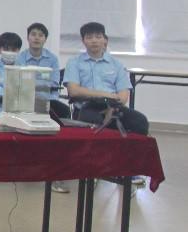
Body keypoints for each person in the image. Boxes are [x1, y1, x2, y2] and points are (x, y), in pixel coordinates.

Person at [64, 22, 149, 165]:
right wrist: (106, 95)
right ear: (83, 41)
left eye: (98, 37)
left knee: (140, 121)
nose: (94, 40)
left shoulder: (117, 65)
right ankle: (99, 164)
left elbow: (123, 97)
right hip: (86, 107)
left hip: (113, 107)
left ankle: (131, 165)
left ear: (105, 40)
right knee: (98, 123)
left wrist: (112, 103)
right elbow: (74, 90)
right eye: (89, 37)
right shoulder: (74, 63)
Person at [18, 22, 68, 118]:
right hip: (26, 100)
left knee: (64, 111)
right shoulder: (20, 58)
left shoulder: (52, 59)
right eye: (33, 34)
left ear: (45, 39)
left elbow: (54, 83)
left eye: (40, 35)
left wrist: (32, 82)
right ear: (28, 38)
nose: (36, 38)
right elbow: (21, 83)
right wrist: (42, 82)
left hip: (49, 100)